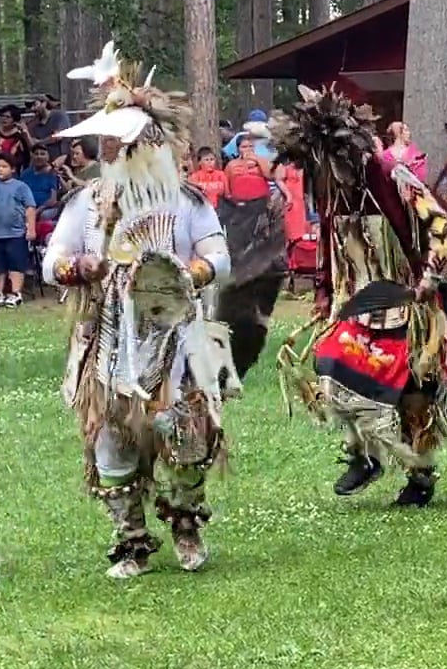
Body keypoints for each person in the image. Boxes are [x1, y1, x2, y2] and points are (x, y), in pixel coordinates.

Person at [43, 50, 282, 578]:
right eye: (105, 142)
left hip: (178, 339)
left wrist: (182, 276)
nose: (108, 149)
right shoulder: (87, 203)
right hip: (108, 338)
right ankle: (130, 540)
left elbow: (220, 260)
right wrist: (83, 265)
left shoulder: (187, 201)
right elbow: (49, 263)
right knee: (111, 438)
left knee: (188, 435)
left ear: (147, 144)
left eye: (118, 141)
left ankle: (186, 526)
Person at [275, 84, 447, 508]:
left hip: (408, 298)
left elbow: (440, 223)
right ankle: (362, 455)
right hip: (356, 302)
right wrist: (323, 291)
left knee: (411, 392)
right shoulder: (331, 186)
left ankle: (420, 475)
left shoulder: (390, 176)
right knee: (331, 366)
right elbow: (331, 242)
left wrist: (429, 274)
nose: (326, 173)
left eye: (332, 163)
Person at [0, 155, 36, 307]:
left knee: (16, 265)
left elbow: (30, 207)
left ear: (13, 169)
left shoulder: (21, 187)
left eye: (4, 166)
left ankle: (16, 293)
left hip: (16, 233)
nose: (0, 169)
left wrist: (31, 229)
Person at [223, 134, 272, 201]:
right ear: (238, 149)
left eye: (250, 146)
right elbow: (226, 184)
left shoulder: (261, 160)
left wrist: (257, 159)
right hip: (239, 202)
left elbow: (270, 176)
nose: (248, 149)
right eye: (244, 147)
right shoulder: (231, 164)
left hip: (261, 200)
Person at [0, 105, 33, 170]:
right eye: (2, 116)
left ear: (15, 119)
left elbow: (30, 150)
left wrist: (26, 134)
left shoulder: (20, 135)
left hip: (14, 168)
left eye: (7, 117)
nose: (4, 119)